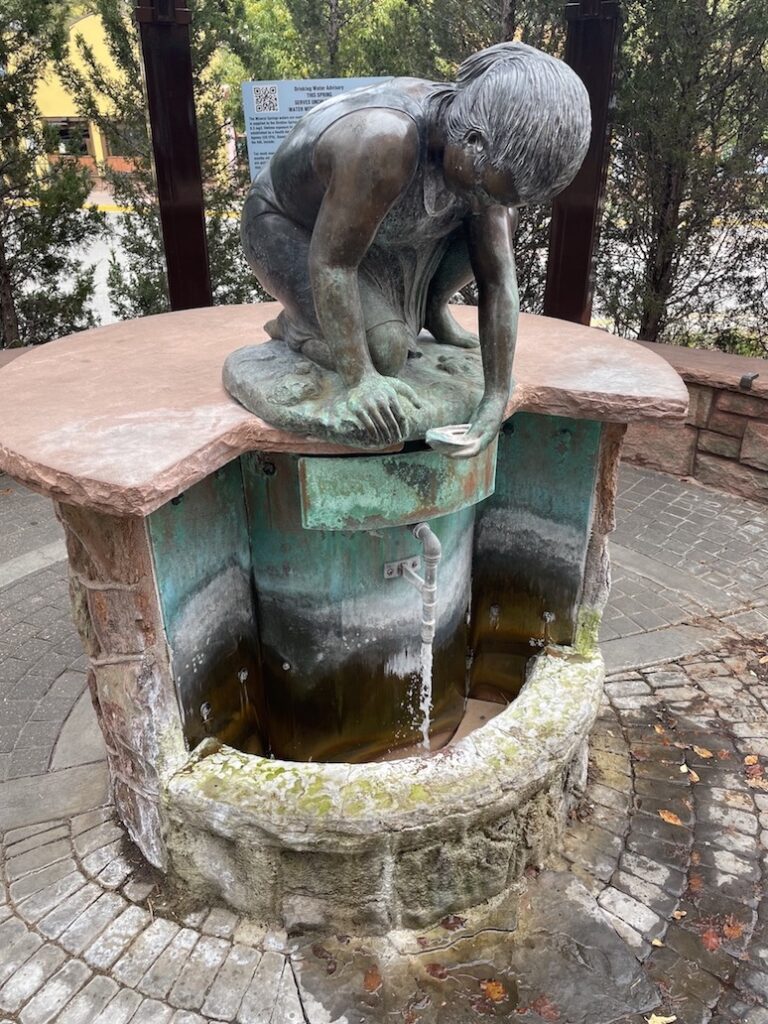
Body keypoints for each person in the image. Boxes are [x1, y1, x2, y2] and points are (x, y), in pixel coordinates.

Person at [241, 42, 591, 456]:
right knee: (386, 353)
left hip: (371, 238)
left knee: (498, 220)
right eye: (485, 190)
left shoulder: (474, 161)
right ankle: (296, 327)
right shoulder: (383, 141)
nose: (485, 204)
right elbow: (333, 263)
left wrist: (495, 397)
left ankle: (429, 308)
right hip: (289, 230)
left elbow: (498, 281)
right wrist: (360, 380)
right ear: (473, 140)